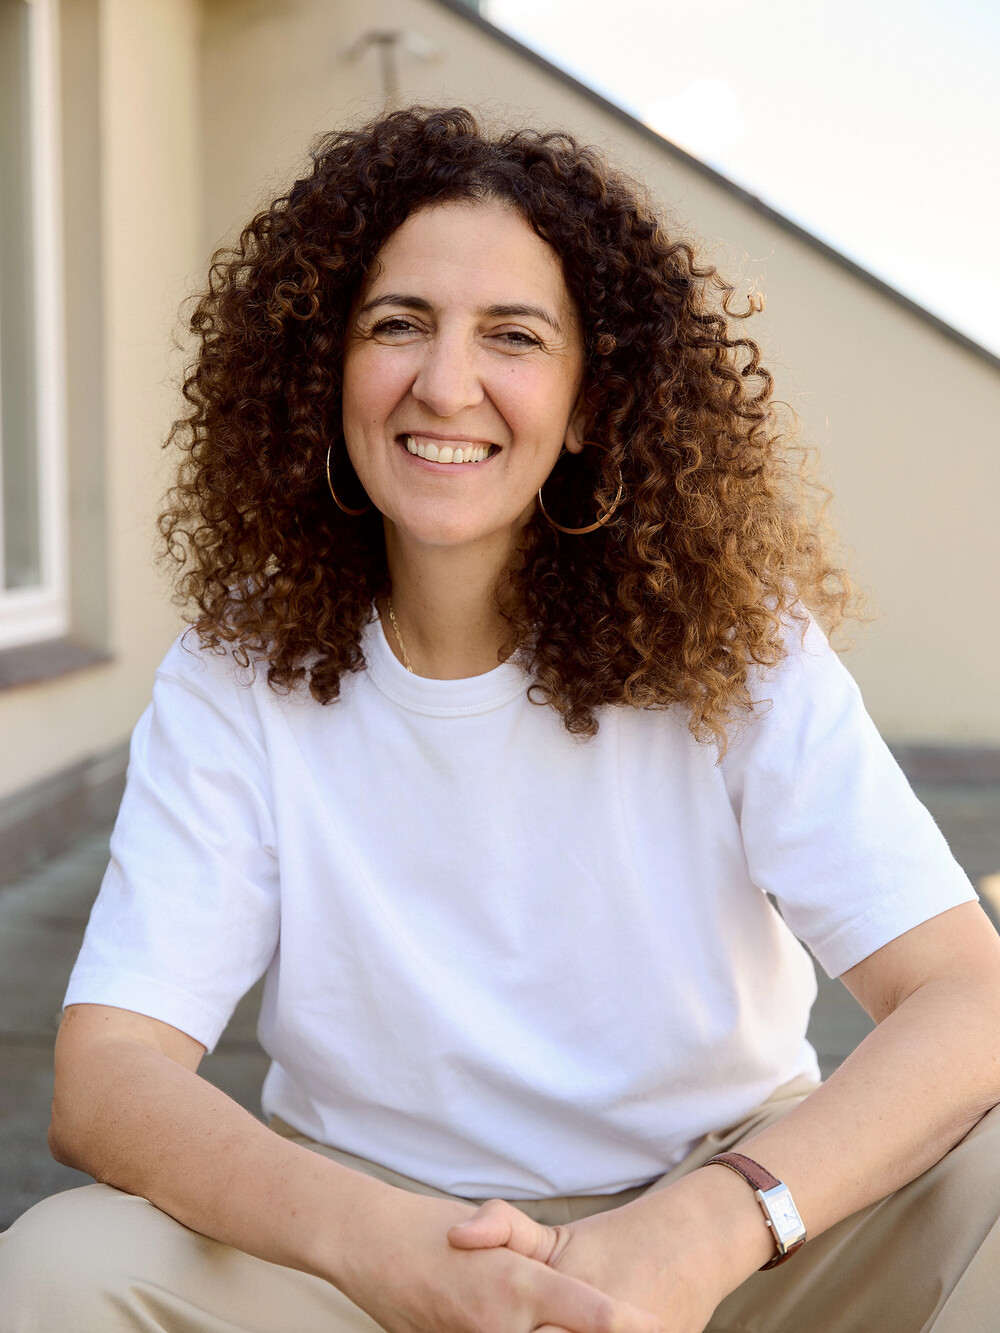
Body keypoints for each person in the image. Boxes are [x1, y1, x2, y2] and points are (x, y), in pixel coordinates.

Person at [1, 105, 998, 1333]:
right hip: (364, 1258)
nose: (445, 382)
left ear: (589, 402)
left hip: (735, 1239)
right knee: (56, 1268)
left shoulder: (734, 646)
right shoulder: (234, 667)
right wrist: (383, 1248)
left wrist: (708, 1227)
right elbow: (107, 1081)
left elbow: (967, 996)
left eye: (512, 336)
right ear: (329, 364)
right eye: (398, 324)